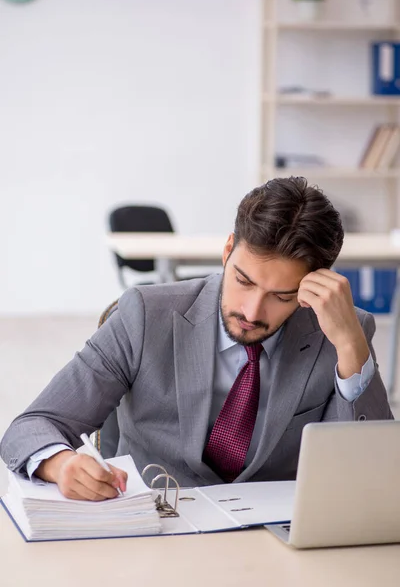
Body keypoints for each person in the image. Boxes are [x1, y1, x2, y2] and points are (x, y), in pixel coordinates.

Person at [0, 176, 393, 501]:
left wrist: (350, 347)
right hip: (153, 525)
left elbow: (373, 475)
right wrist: (59, 464)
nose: (253, 312)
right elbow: (32, 425)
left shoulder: (340, 332)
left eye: (282, 296)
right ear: (227, 252)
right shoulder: (144, 314)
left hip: (273, 544)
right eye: (244, 280)